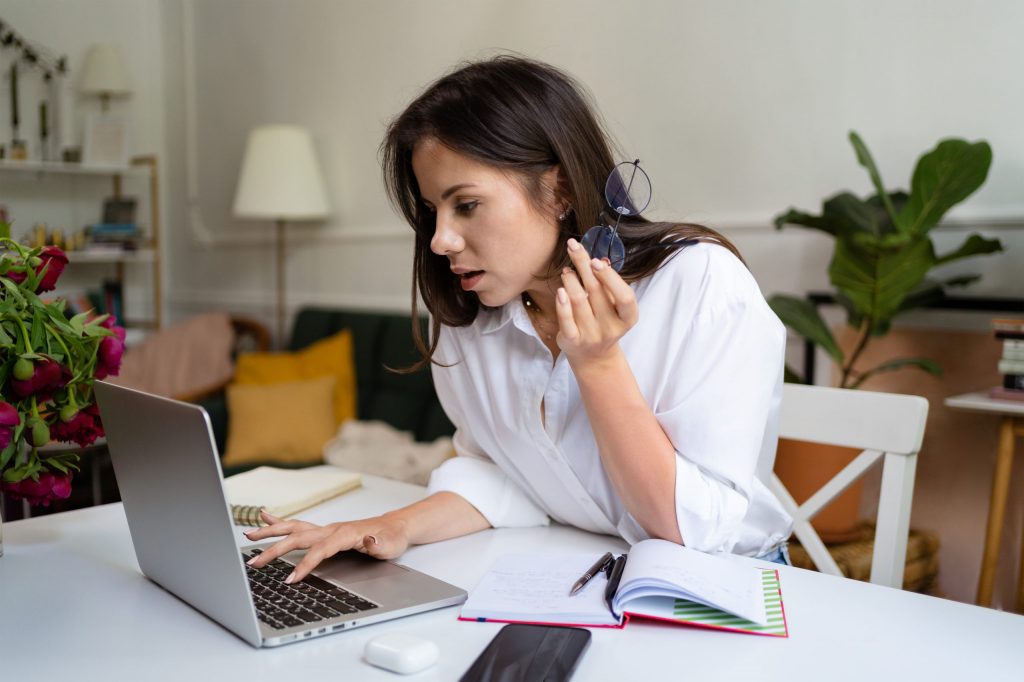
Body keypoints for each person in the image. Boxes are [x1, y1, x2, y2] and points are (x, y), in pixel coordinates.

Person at [246, 55, 793, 583]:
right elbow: (498, 472)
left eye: (466, 205)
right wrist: (387, 528)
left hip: (726, 580)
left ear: (559, 191)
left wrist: (598, 364)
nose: (440, 240)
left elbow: (690, 531)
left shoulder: (699, 285)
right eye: (433, 211)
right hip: (583, 567)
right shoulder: (471, 321)